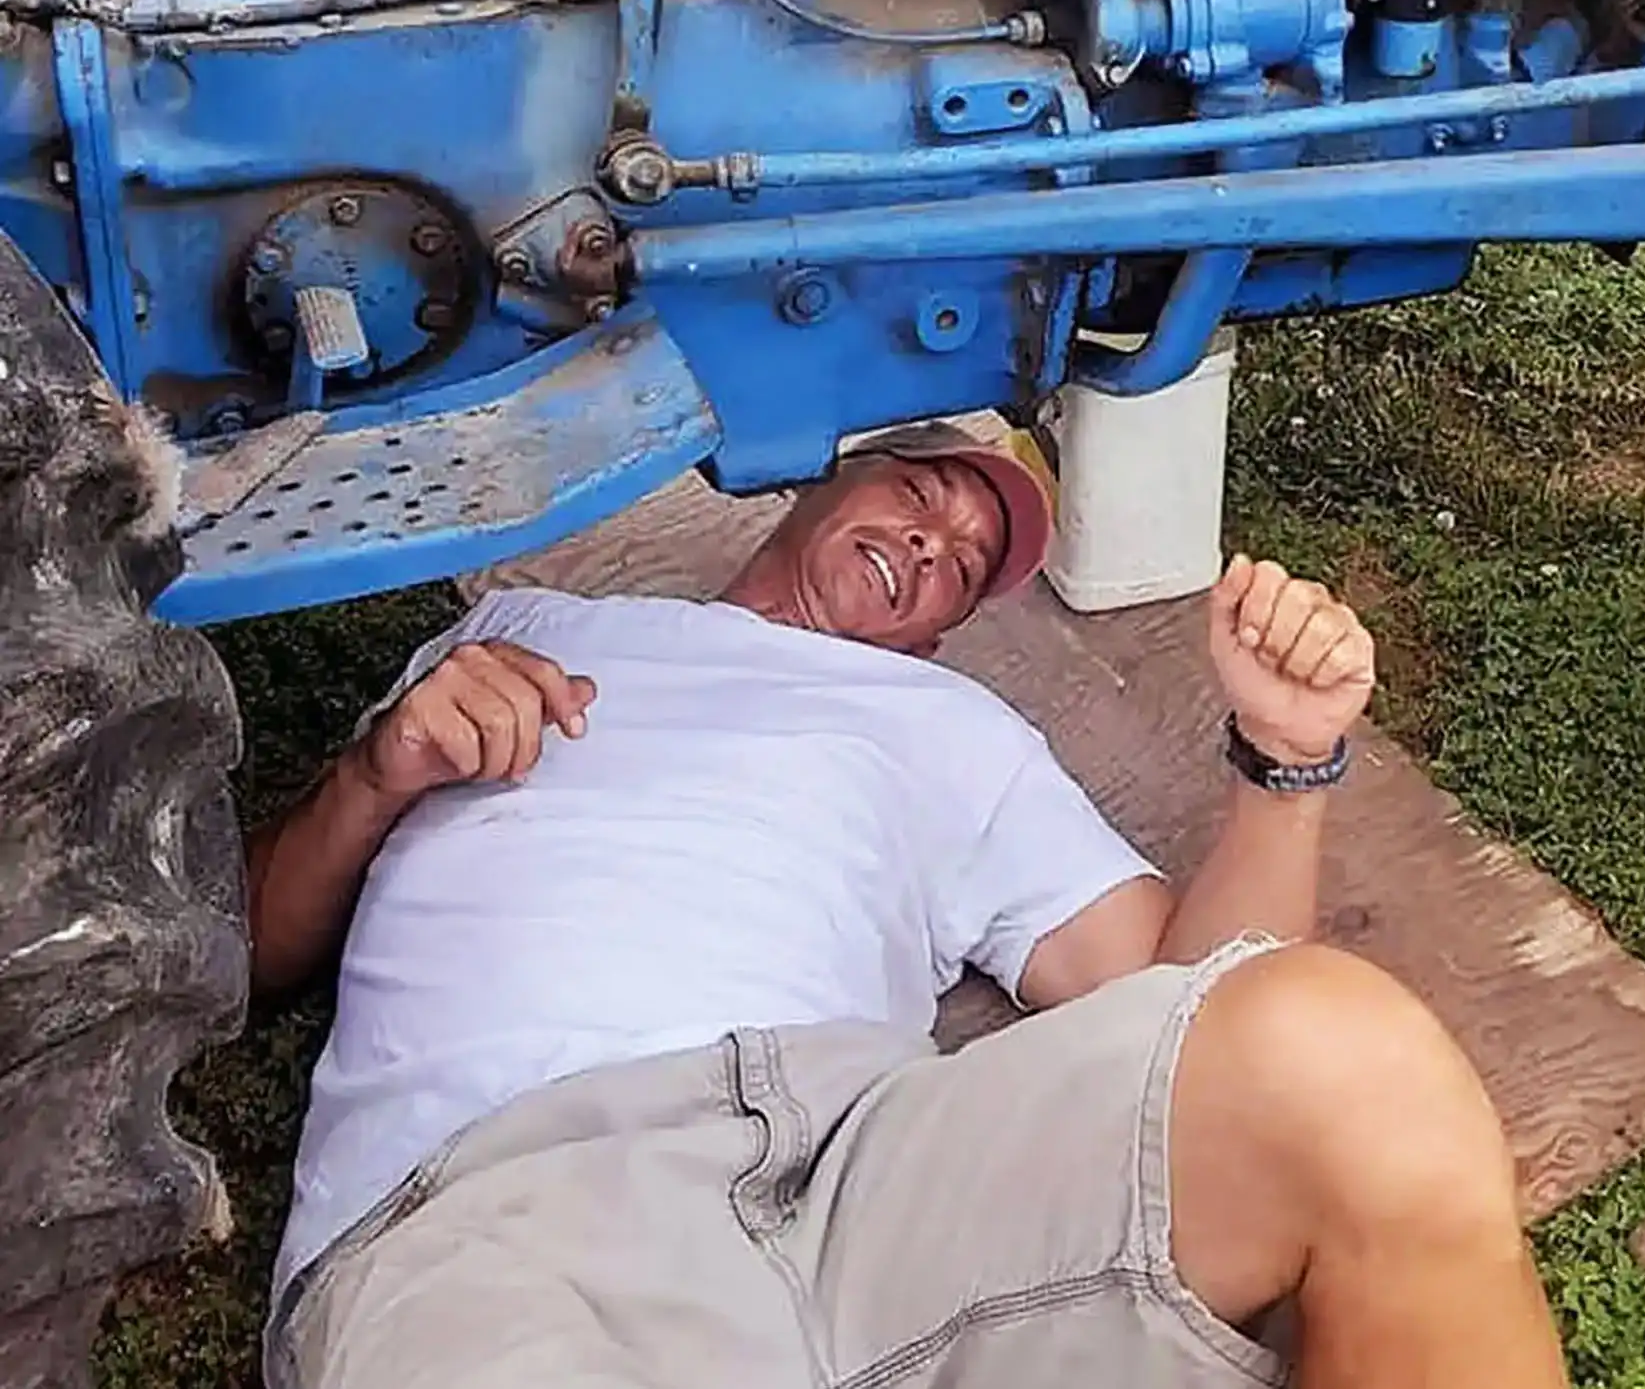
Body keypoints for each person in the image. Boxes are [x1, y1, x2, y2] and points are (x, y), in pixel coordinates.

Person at [252, 423, 1569, 1389]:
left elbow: (1192, 992)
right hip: (498, 1196)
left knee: (1350, 1065)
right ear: (818, 476)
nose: (933, 544)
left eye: (963, 562)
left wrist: (1285, 765)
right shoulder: (533, 632)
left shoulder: (954, 730)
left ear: (944, 634)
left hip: (854, 1169)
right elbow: (246, 949)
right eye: (920, 492)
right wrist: (377, 772)